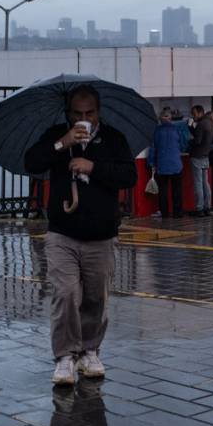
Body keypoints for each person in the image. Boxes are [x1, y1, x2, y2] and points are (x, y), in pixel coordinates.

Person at [24, 85, 136, 385]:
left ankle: (89, 350)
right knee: (65, 293)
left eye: (89, 113)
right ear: (68, 113)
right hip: (63, 233)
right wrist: (63, 143)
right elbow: (32, 162)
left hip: (101, 234)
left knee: (95, 297)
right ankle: (64, 356)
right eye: (77, 113)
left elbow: (129, 176)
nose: (83, 118)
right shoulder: (57, 136)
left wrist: (93, 166)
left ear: (98, 113)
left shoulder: (114, 139)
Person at [147, 107, 184, 218]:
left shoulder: (157, 131)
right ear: (171, 118)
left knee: (163, 191)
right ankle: (177, 213)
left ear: (160, 119)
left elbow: (153, 149)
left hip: (162, 166)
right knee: (177, 190)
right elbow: (183, 145)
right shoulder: (177, 129)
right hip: (176, 165)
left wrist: (150, 162)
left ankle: (165, 213)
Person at [188, 105, 213, 217]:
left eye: (194, 114)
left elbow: (197, 140)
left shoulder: (201, 124)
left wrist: (190, 141)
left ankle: (199, 208)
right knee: (205, 183)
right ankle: (207, 207)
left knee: (198, 183)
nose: (193, 116)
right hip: (205, 156)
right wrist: (192, 128)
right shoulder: (209, 123)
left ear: (200, 112)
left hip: (197, 156)